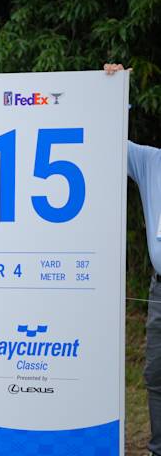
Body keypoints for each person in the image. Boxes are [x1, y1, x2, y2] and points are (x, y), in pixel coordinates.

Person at [106, 63, 161, 456]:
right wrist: (113, 93)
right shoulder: (151, 161)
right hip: (160, 290)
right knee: (156, 375)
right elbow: (108, 141)